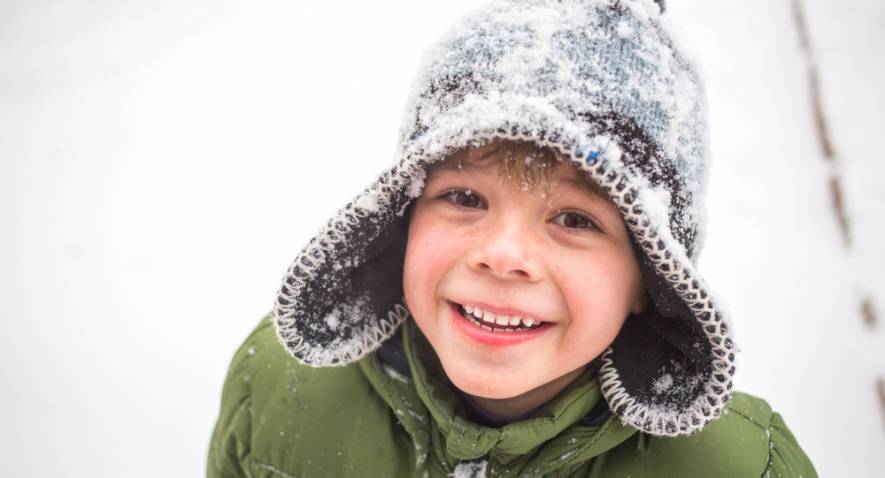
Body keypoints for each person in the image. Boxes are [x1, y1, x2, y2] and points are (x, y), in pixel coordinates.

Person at [207, 0, 817, 476]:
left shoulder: (738, 468)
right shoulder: (280, 388)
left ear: (651, 277)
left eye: (576, 220)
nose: (502, 255)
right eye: (464, 198)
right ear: (403, 216)